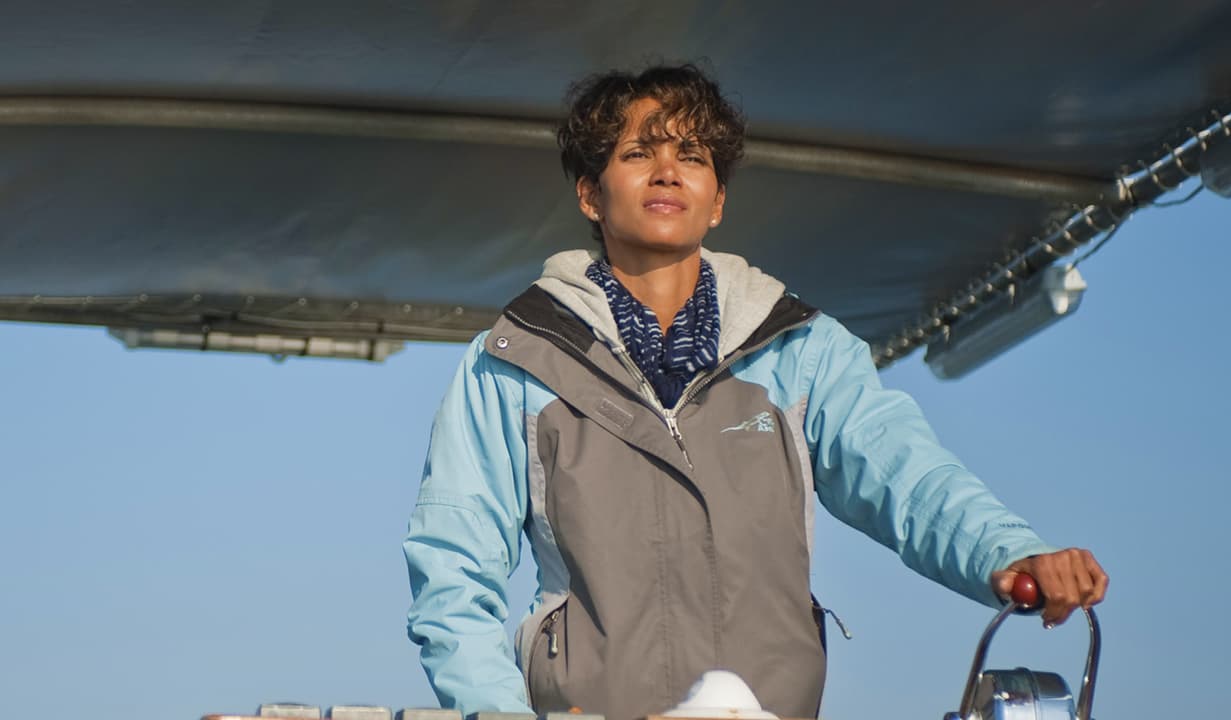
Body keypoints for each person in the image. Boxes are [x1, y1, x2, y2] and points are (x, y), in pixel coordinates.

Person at [404, 63, 1108, 720]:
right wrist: (498, 713)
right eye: (638, 153)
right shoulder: (517, 358)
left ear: (717, 201)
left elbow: (908, 478)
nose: (667, 171)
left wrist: (1008, 551)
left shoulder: (802, 349)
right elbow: (452, 569)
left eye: (692, 156)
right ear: (591, 193)